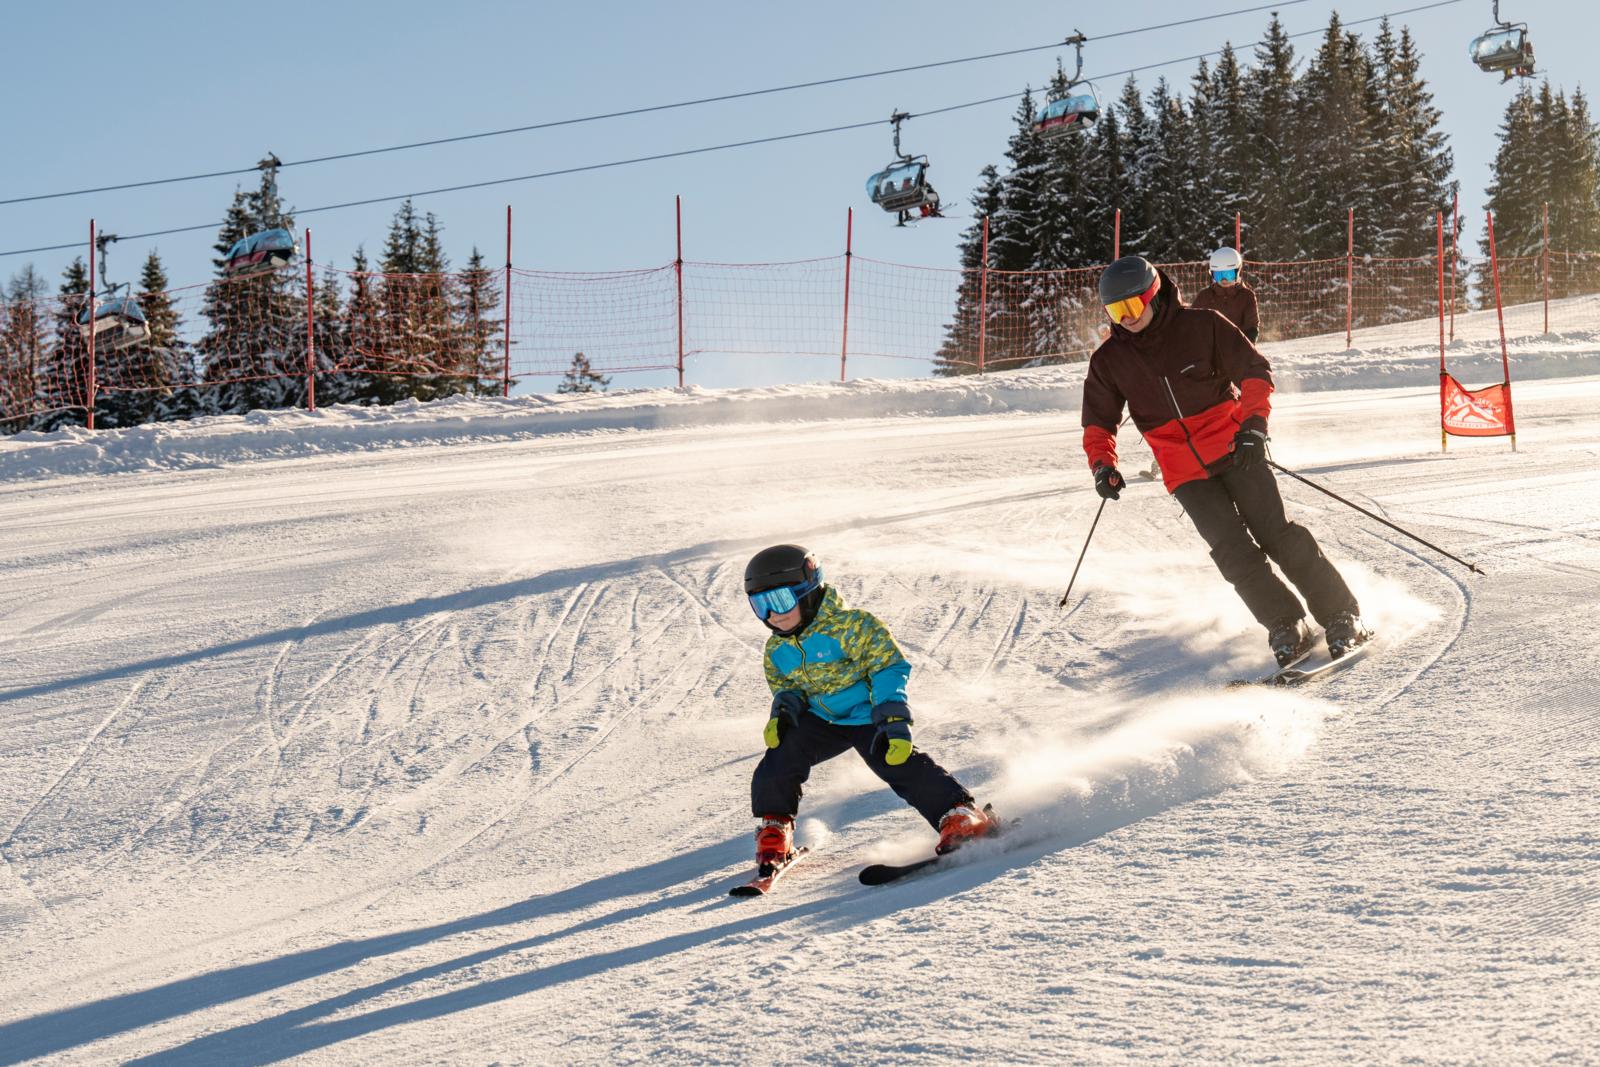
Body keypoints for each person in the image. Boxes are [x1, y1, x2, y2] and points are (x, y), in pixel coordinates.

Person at [1080, 256, 1372, 666]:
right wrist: (1103, 465)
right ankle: (1286, 623)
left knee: (1276, 535)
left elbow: (1254, 372)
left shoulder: (1203, 326)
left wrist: (1253, 426)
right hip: (1183, 471)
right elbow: (1098, 422)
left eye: (1131, 306)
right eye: (1115, 311)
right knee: (1233, 554)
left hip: (1235, 448)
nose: (1125, 319)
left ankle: (1342, 614)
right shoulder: (1110, 360)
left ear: (1153, 295)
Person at [743, 544, 995, 875]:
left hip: (867, 713)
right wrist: (785, 710)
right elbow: (786, 686)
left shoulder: (855, 627)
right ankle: (776, 829)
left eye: (779, 601)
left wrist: (892, 718)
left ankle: (958, 814)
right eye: (760, 605)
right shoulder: (776, 649)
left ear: (807, 591)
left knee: (893, 758)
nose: (772, 615)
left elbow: (888, 668)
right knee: (779, 759)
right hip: (823, 719)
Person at [1190, 246, 1260, 343]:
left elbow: (1251, 326)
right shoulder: (1205, 296)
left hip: (1237, 347)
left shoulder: (1247, 296)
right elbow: (1192, 322)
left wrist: (1245, 348)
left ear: (1237, 272)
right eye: (1218, 275)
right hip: (1209, 348)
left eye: (1228, 274)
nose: (1223, 280)